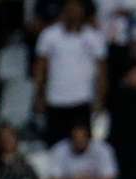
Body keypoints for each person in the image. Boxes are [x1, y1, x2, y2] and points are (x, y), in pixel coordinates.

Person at [34, 0, 108, 145]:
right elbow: (40, 69)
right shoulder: (49, 35)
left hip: (82, 100)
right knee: (55, 145)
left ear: (83, 11)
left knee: (82, 146)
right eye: (70, 9)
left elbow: (102, 72)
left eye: (77, 8)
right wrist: (39, 95)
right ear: (63, 11)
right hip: (55, 100)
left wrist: (100, 98)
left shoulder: (94, 37)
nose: (73, 12)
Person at [49, 123, 118, 179]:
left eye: (82, 138)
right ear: (70, 139)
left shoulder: (103, 149)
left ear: (89, 138)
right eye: (76, 138)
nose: (79, 141)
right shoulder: (59, 149)